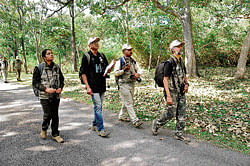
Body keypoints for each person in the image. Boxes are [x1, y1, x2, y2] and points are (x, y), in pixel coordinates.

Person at [152, 40, 191, 142]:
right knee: (170, 113)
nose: (180, 48)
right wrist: (168, 96)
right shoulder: (169, 63)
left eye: (181, 46)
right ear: (173, 49)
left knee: (182, 113)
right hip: (172, 92)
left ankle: (179, 133)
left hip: (181, 91)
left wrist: (187, 84)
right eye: (178, 47)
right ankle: (157, 124)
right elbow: (165, 79)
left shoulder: (181, 62)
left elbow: (184, 75)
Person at [79, 37, 112, 137]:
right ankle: (100, 129)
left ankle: (94, 124)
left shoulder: (102, 55)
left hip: (101, 84)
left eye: (97, 42)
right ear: (89, 46)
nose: (96, 44)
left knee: (99, 106)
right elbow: (83, 73)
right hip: (92, 86)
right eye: (93, 42)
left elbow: (106, 69)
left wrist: (110, 68)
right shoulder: (86, 56)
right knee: (98, 106)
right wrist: (87, 87)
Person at [32, 49, 65, 143]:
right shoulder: (39, 68)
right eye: (48, 54)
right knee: (48, 114)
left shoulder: (57, 67)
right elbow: (35, 83)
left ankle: (55, 134)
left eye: (51, 53)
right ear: (44, 57)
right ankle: (44, 128)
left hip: (55, 95)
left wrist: (60, 88)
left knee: (55, 115)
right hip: (44, 96)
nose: (51, 55)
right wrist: (46, 89)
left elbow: (62, 80)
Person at [114, 44, 143, 128]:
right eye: (128, 50)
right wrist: (123, 70)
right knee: (129, 102)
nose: (131, 51)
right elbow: (115, 73)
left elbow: (139, 69)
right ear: (124, 51)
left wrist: (137, 74)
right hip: (123, 84)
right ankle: (135, 120)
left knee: (127, 101)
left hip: (132, 83)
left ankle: (122, 116)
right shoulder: (120, 61)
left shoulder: (133, 61)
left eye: (131, 49)